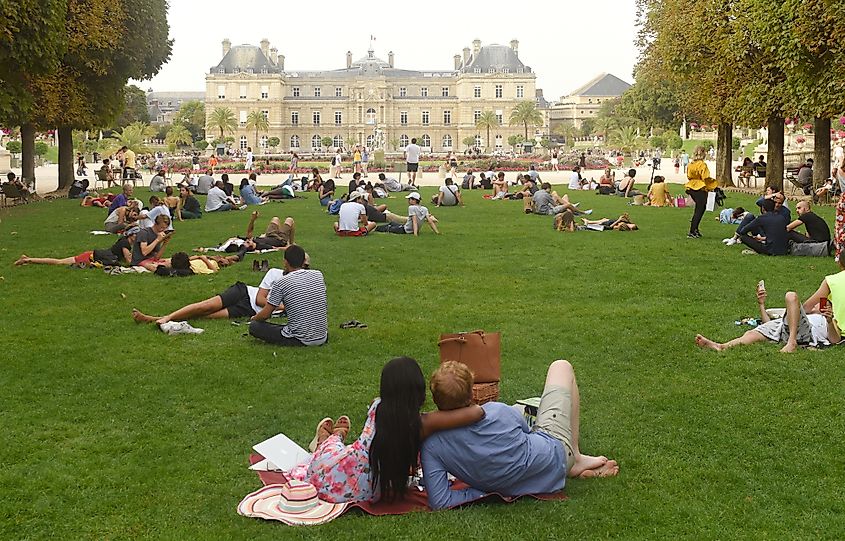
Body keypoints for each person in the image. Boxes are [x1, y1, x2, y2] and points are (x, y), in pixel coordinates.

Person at [421, 360, 619, 510]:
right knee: (561, 366)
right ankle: (575, 458)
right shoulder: (497, 411)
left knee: (523, 411)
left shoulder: (432, 446)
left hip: (520, 480)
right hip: (555, 454)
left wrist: (486, 492)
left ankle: (571, 462)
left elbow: (441, 500)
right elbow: (530, 433)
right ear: (472, 393)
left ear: (436, 401)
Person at [284, 357, 484, 504]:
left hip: (328, 475)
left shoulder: (377, 406)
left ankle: (330, 438)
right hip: (363, 491)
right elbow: (476, 413)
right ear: (419, 390)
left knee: (336, 450)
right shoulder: (422, 423)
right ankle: (327, 438)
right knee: (334, 447)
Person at [695, 278, 840, 353]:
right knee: (751, 334)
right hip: (785, 329)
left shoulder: (826, 319)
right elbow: (768, 324)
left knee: (791, 296)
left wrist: (828, 320)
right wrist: (761, 304)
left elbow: (835, 340)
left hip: (803, 334)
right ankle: (721, 346)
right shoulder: (801, 316)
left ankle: (791, 343)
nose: (817, 306)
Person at [249, 245, 328, 346]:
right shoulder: (318, 275)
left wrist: (254, 319)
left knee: (255, 326)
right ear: (304, 261)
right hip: (322, 336)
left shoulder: (281, 282)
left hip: (299, 339)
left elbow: (266, 314)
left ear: (285, 262)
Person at [15, 227, 138, 267]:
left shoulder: (123, 241)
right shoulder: (125, 243)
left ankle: (28, 259)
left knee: (59, 262)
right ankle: (27, 259)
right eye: (137, 234)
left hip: (92, 255)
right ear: (131, 235)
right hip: (90, 257)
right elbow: (129, 261)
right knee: (59, 262)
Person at [684, 146, 717, 239]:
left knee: (699, 209)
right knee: (699, 210)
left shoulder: (691, 164)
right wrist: (713, 185)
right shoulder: (702, 164)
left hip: (691, 186)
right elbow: (705, 177)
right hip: (700, 187)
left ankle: (695, 229)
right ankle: (692, 230)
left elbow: (689, 176)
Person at [375, 192, 440, 235]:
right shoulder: (424, 208)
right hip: (407, 227)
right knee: (392, 223)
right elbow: (430, 222)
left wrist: (415, 234)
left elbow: (414, 221)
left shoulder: (411, 208)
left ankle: (374, 228)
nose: (408, 201)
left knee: (388, 228)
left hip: (405, 230)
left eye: (409, 199)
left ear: (414, 200)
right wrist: (437, 232)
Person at [528, 183, 592, 216]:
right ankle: (583, 212)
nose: (550, 190)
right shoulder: (546, 195)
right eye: (550, 189)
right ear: (547, 188)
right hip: (548, 211)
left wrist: (535, 211)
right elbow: (555, 205)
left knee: (562, 197)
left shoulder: (537, 193)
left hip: (540, 210)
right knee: (568, 205)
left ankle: (573, 208)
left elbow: (532, 203)